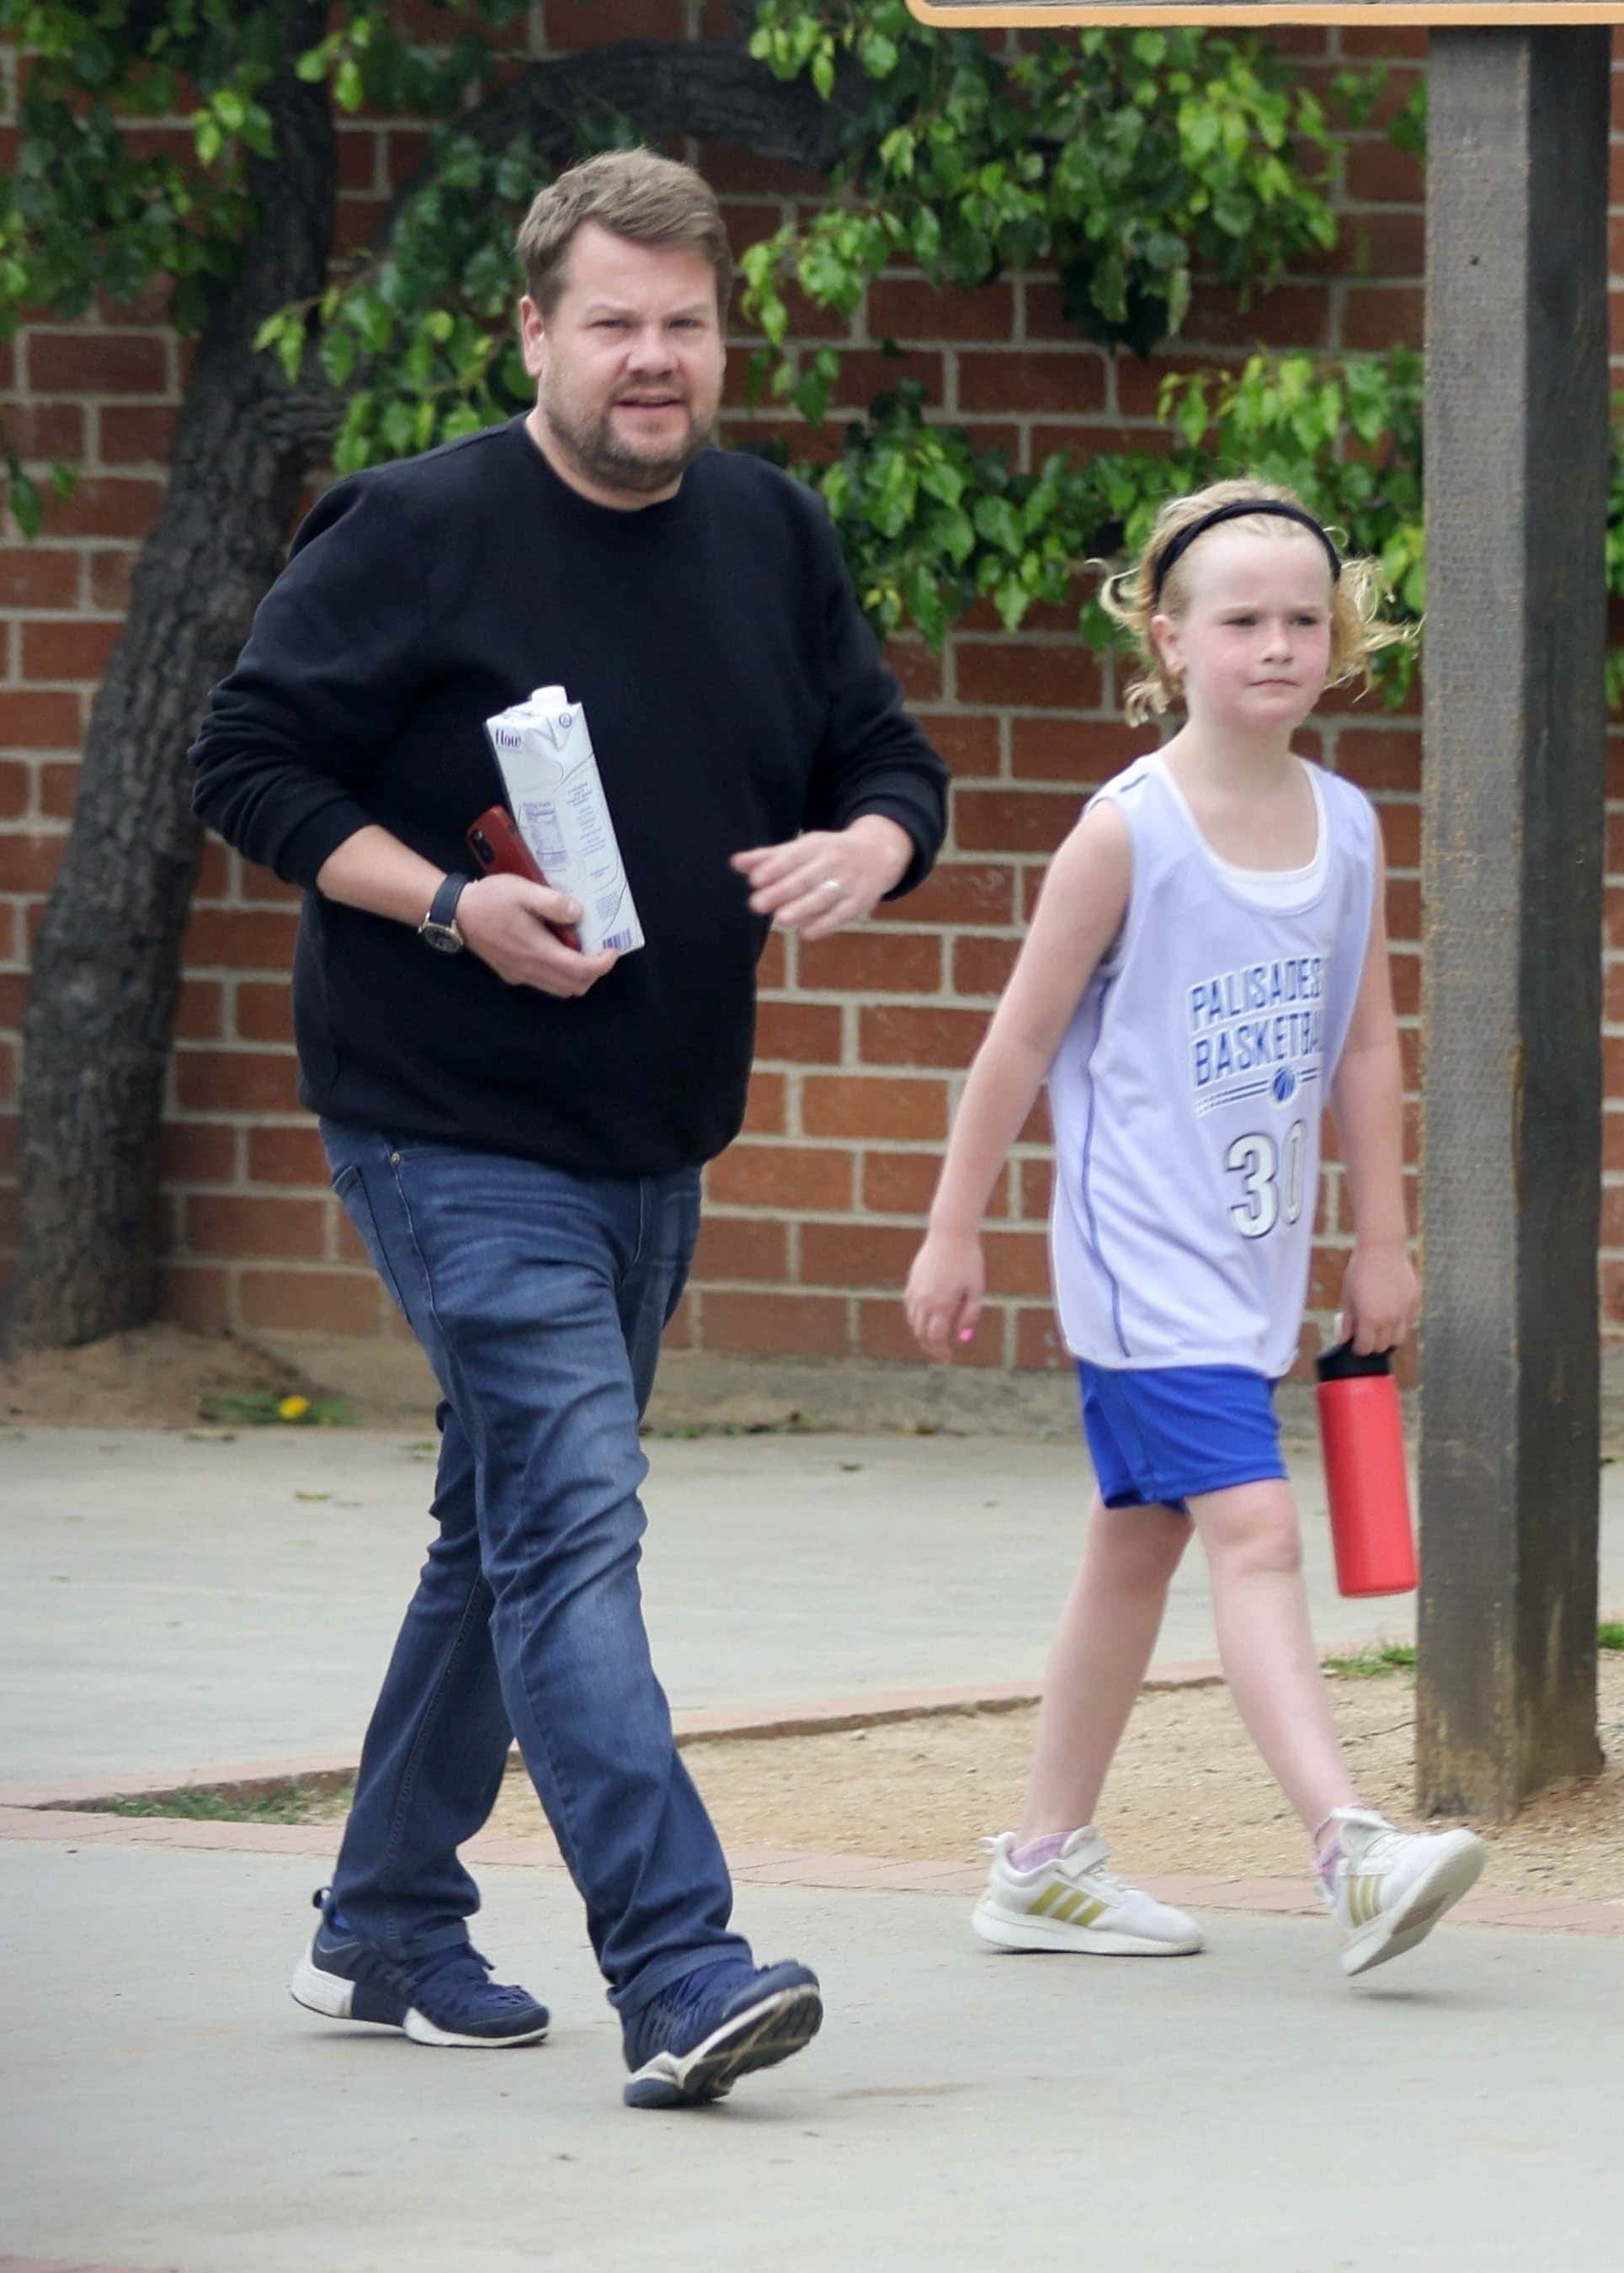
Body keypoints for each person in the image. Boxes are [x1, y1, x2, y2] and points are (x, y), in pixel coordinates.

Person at [190, 146, 948, 2105]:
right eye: (610, 321)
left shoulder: (771, 533)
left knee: (503, 1527)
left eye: (683, 323)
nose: (651, 358)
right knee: (574, 1525)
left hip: (654, 1129)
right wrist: (446, 903)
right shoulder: (417, 525)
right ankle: (679, 1968)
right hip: (447, 1125)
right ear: (531, 328)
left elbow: (884, 753)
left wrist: (869, 845)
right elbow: (248, 761)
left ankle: (382, 1914)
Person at [904, 479, 1485, 1980]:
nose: (1278, 645)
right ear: (1169, 641)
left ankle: (1041, 1864)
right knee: (1253, 1528)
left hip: (1255, 1250)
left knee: (1135, 1543)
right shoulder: (1125, 832)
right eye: (1242, 621)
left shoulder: (1346, 825)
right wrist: (949, 1232)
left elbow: (1364, 1048)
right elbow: (1014, 1047)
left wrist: (1381, 1240)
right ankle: (1347, 1847)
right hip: (1134, 1257)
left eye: (1305, 618)